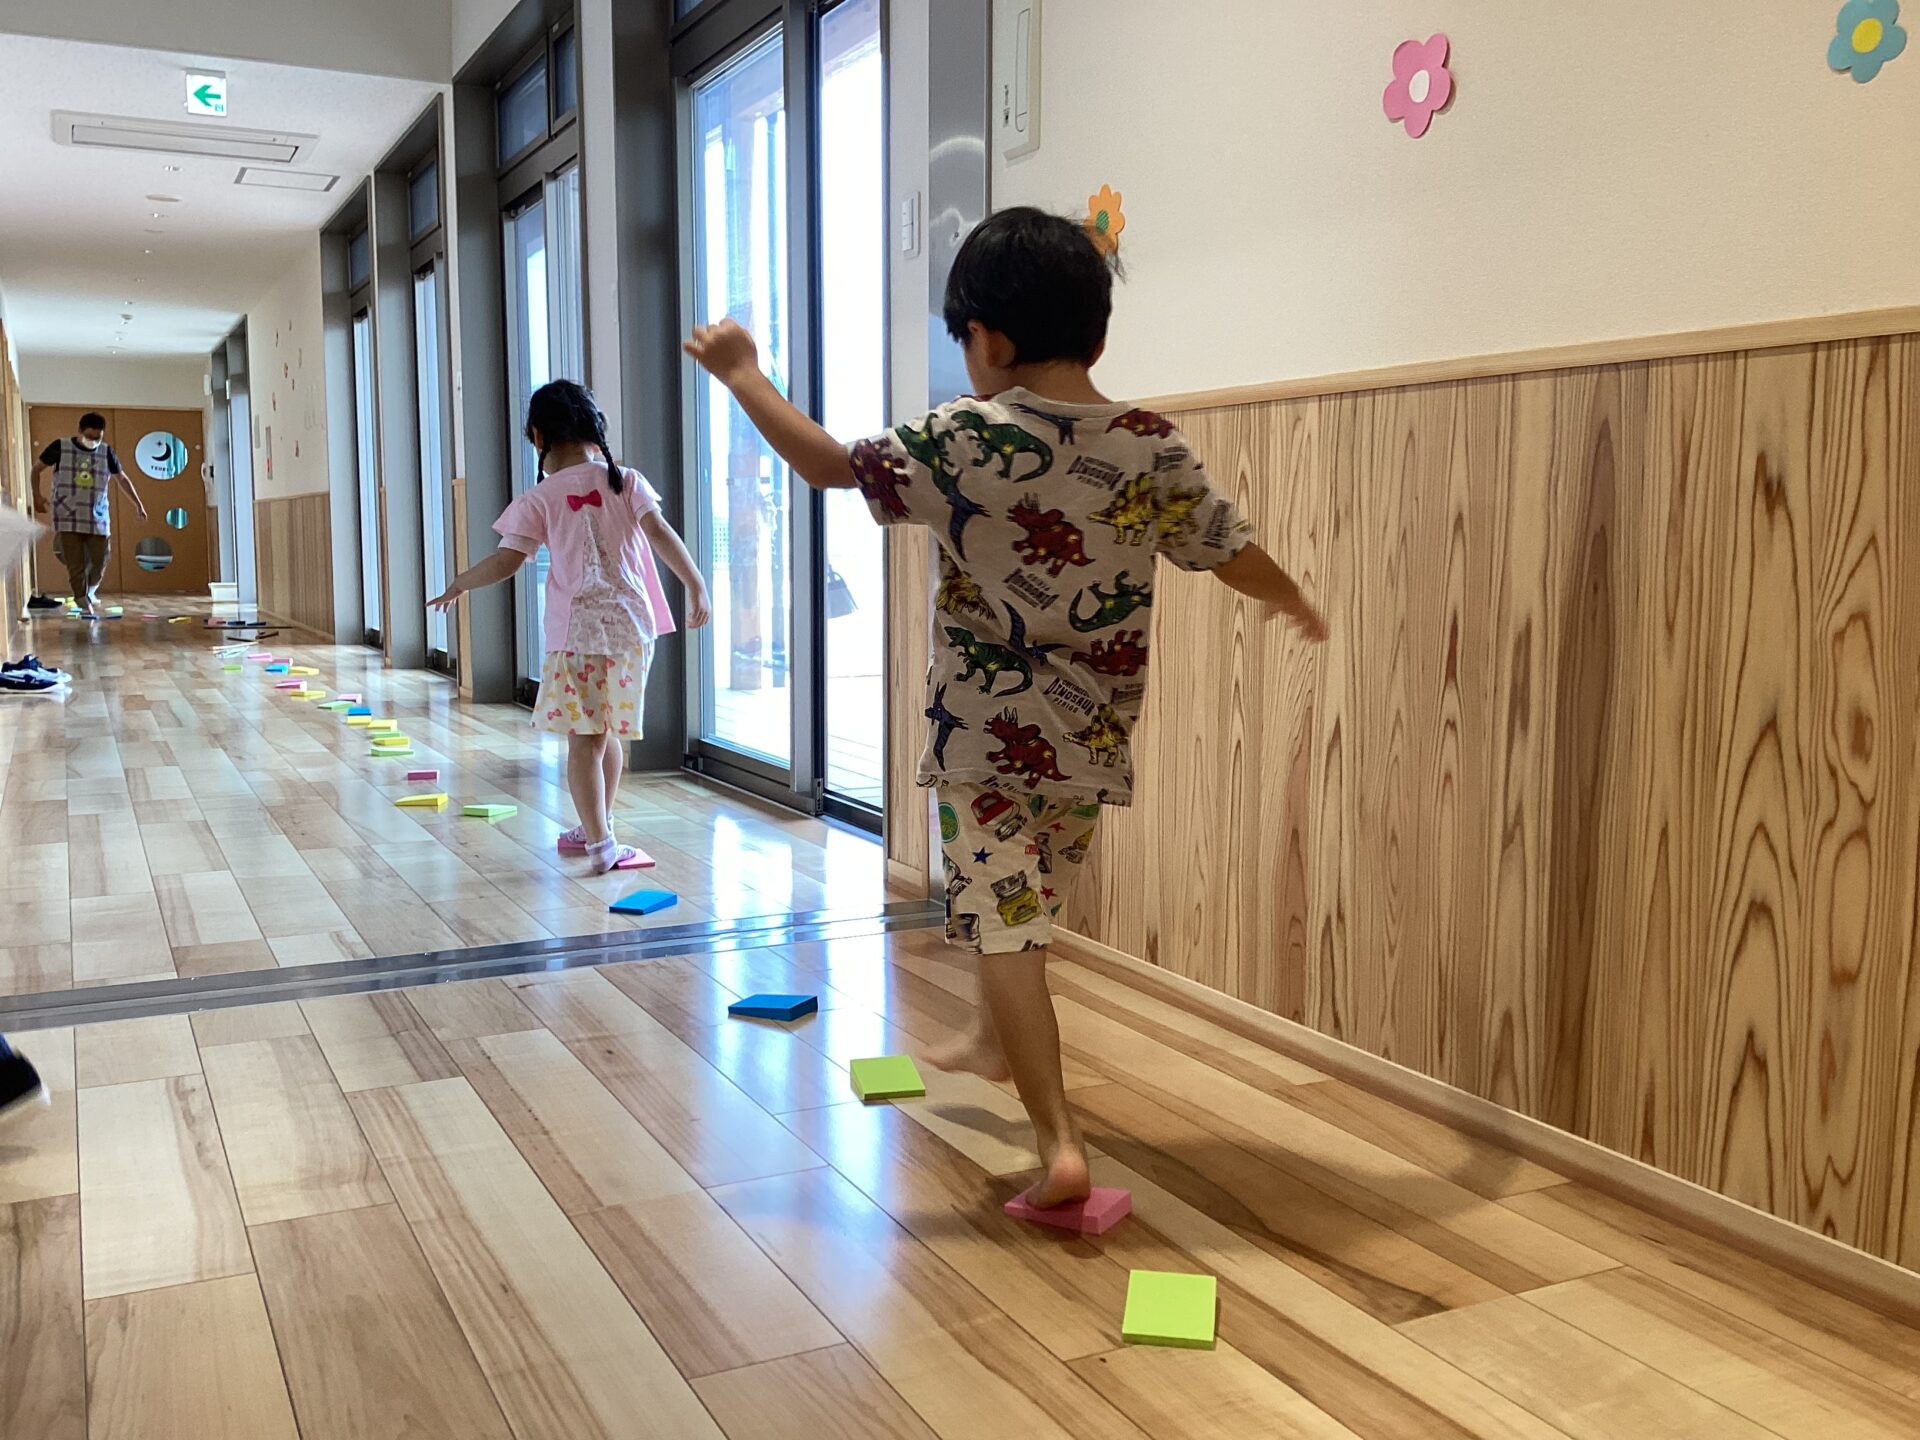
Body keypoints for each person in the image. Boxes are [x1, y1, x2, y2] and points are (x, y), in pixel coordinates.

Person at [686, 205, 1327, 1211]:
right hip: (1093, 740)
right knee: (1020, 914)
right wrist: (1292, 598)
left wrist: (743, 375)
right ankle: (993, 1041)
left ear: (984, 340)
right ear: (1098, 338)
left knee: (1008, 927)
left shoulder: (964, 436)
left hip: (983, 744)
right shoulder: (1150, 445)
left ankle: (1060, 1141)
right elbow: (1227, 551)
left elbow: (823, 463)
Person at [430, 381, 710, 873]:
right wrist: (696, 584)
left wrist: (460, 583)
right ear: (595, 430)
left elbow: (506, 561)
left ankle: (600, 843)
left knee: (584, 739)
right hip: (631, 633)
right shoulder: (627, 481)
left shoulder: (541, 497)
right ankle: (597, 827)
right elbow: (661, 534)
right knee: (607, 734)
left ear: (538, 437)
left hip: (575, 636)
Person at [31, 412, 147, 619]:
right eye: (89, 436)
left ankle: (90, 590)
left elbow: (122, 478)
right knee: (75, 565)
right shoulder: (61, 446)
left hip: (97, 516)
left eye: (97, 437)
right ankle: (82, 601)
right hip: (67, 516)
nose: (93, 441)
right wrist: (37, 496)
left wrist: (138, 504)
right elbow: (36, 469)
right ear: (80, 431)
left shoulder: (106, 452)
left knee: (101, 559)